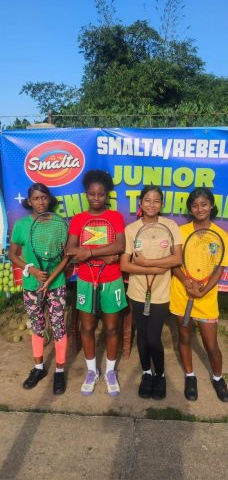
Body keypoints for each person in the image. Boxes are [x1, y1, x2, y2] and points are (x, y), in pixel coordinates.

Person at [66, 169, 127, 397]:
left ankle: (110, 371)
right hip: (85, 281)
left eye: (101, 194)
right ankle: (92, 371)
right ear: (86, 194)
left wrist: (88, 251)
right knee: (88, 328)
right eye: (92, 194)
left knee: (112, 328)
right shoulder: (79, 219)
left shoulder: (115, 217)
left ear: (107, 194)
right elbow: (70, 250)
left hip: (112, 280)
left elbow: (119, 246)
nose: (96, 198)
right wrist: (101, 256)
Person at [170, 188, 228, 403]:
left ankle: (218, 378)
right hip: (181, 294)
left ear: (211, 206)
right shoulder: (181, 231)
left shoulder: (221, 235)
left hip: (205, 299)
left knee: (211, 346)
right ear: (190, 208)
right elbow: (174, 262)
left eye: (204, 204)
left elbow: (219, 269)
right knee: (184, 337)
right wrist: (185, 281)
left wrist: (204, 289)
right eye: (195, 205)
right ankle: (190, 376)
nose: (200, 209)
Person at [120, 186, 182, 399]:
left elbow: (176, 259)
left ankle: (161, 375)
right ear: (140, 203)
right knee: (143, 337)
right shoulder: (131, 229)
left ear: (161, 204)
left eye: (156, 201)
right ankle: (147, 373)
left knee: (154, 338)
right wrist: (154, 268)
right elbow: (125, 265)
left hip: (161, 294)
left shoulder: (171, 226)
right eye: (147, 200)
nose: (152, 204)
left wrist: (147, 262)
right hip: (137, 292)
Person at [9, 183, 68, 395]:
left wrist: (51, 278)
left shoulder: (59, 224)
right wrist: (31, 270)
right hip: (32, 286)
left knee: (59, 326)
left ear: (49, 199)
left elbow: (66, 256)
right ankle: (39, 368)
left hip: (56, 284)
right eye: (36, 198)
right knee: (37, 326)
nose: (41, 201)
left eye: (44, 197)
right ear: (30, 201)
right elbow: (13, 254)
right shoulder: (21, 225)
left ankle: (60, 371)